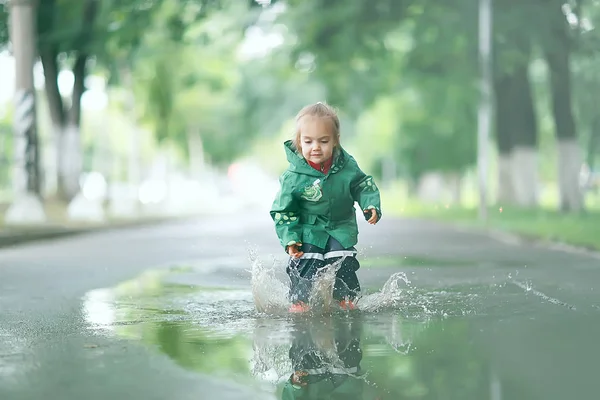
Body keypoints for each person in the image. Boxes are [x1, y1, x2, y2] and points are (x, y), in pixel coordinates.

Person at [270, 102, 382, 313]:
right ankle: (299, 301)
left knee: (342, 258)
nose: (316, 147)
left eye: (323, 141)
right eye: (308, 141)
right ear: (299, 142)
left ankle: (346, 298)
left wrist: (370, 204)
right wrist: (290, 238)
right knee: (306, 258)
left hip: (340, 224)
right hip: (308, 229)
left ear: (336, 141)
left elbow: (361, 184)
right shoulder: (293, 177)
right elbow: (283, 211)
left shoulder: (346, 165)